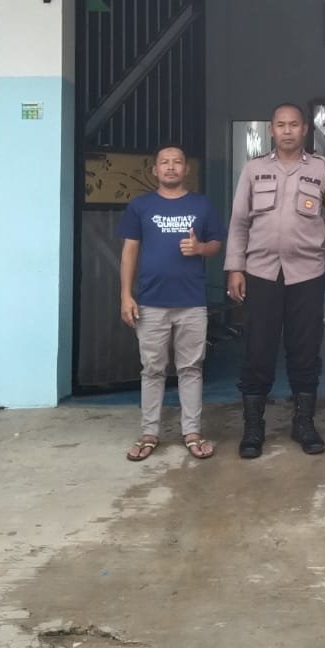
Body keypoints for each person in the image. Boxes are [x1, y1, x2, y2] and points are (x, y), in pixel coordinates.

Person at [226, 103, 325, 458]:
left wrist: (314, 241)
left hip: (306, 273)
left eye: (294, 124)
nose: (287, 130)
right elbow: (239, 222)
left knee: (305, 349)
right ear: (271, 130)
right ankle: (253, 427)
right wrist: (235, 267)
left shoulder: (323, 168)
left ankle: (304, 423)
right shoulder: (254, 169)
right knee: (258, 348)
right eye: (281, 125)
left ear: (305, 129)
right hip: (261, 272)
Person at [119, 145, 225, 461]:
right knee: (152, 369)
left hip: (191, 302)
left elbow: (216, 244)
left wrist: (200, 248)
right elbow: (129, 251)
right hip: (151, 302)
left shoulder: (202, 205)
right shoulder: (140, 206)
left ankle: (192, 432)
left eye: (177, 162)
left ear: (186, 169)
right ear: (154, 170)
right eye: (164, 162)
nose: (170, 167)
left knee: (191, 368)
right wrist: (125, 294)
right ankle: (149, 433)